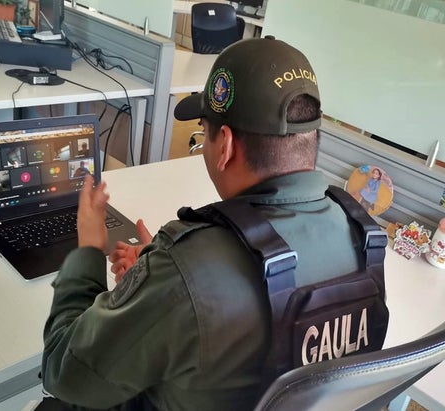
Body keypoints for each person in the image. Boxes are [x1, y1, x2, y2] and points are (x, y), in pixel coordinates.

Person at [42, 37, 364, 411]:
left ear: (224, 145)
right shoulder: (362, 235)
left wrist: (89, 249)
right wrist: (161, 279)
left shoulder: (188, 266)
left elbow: (64, 373)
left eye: (202, 128)